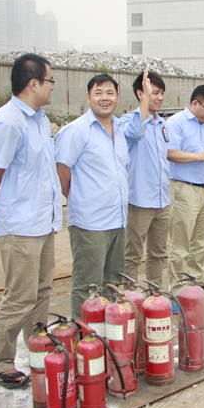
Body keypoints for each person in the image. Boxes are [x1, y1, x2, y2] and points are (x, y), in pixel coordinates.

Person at [0, 53, 61, 389]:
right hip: (19, 225)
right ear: (33, 83)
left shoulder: (39, 119)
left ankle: (38, 347)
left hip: (42, 221)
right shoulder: (7, 122)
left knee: (40, 292)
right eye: (50, 80)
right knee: (19, 296)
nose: (53, 86)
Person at [55, 74, 129, 319]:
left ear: (117, 97)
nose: (104, 98)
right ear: (88, 97)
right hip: (90, 222)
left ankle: (110, 332)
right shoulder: (76, 131)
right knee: (88, 285)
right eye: (98, 93)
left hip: (118, 219)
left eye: (110, 93)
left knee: (113, 282)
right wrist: (80, 198)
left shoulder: (120, 129)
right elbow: (62, 172)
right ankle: (83, 333)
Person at [166, 85, 204, 294]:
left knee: (201, 239)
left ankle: (199, 277)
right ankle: (177, 287)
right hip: (184, 188)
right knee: (181, 242)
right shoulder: (176, 123)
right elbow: (169, 153)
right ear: (194, 103)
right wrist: (198, 157)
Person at [120, 70, 171, 288]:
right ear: (141, 94)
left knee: (158, 253)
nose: (160, 98)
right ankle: (128, 296)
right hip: (139, 201)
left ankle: (155, 295)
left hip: (162, 200)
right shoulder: (128, 121)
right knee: (132, 254)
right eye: (154, 93)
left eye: (161, 93)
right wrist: (144, 104)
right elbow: (134, 133)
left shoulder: (161, 123)